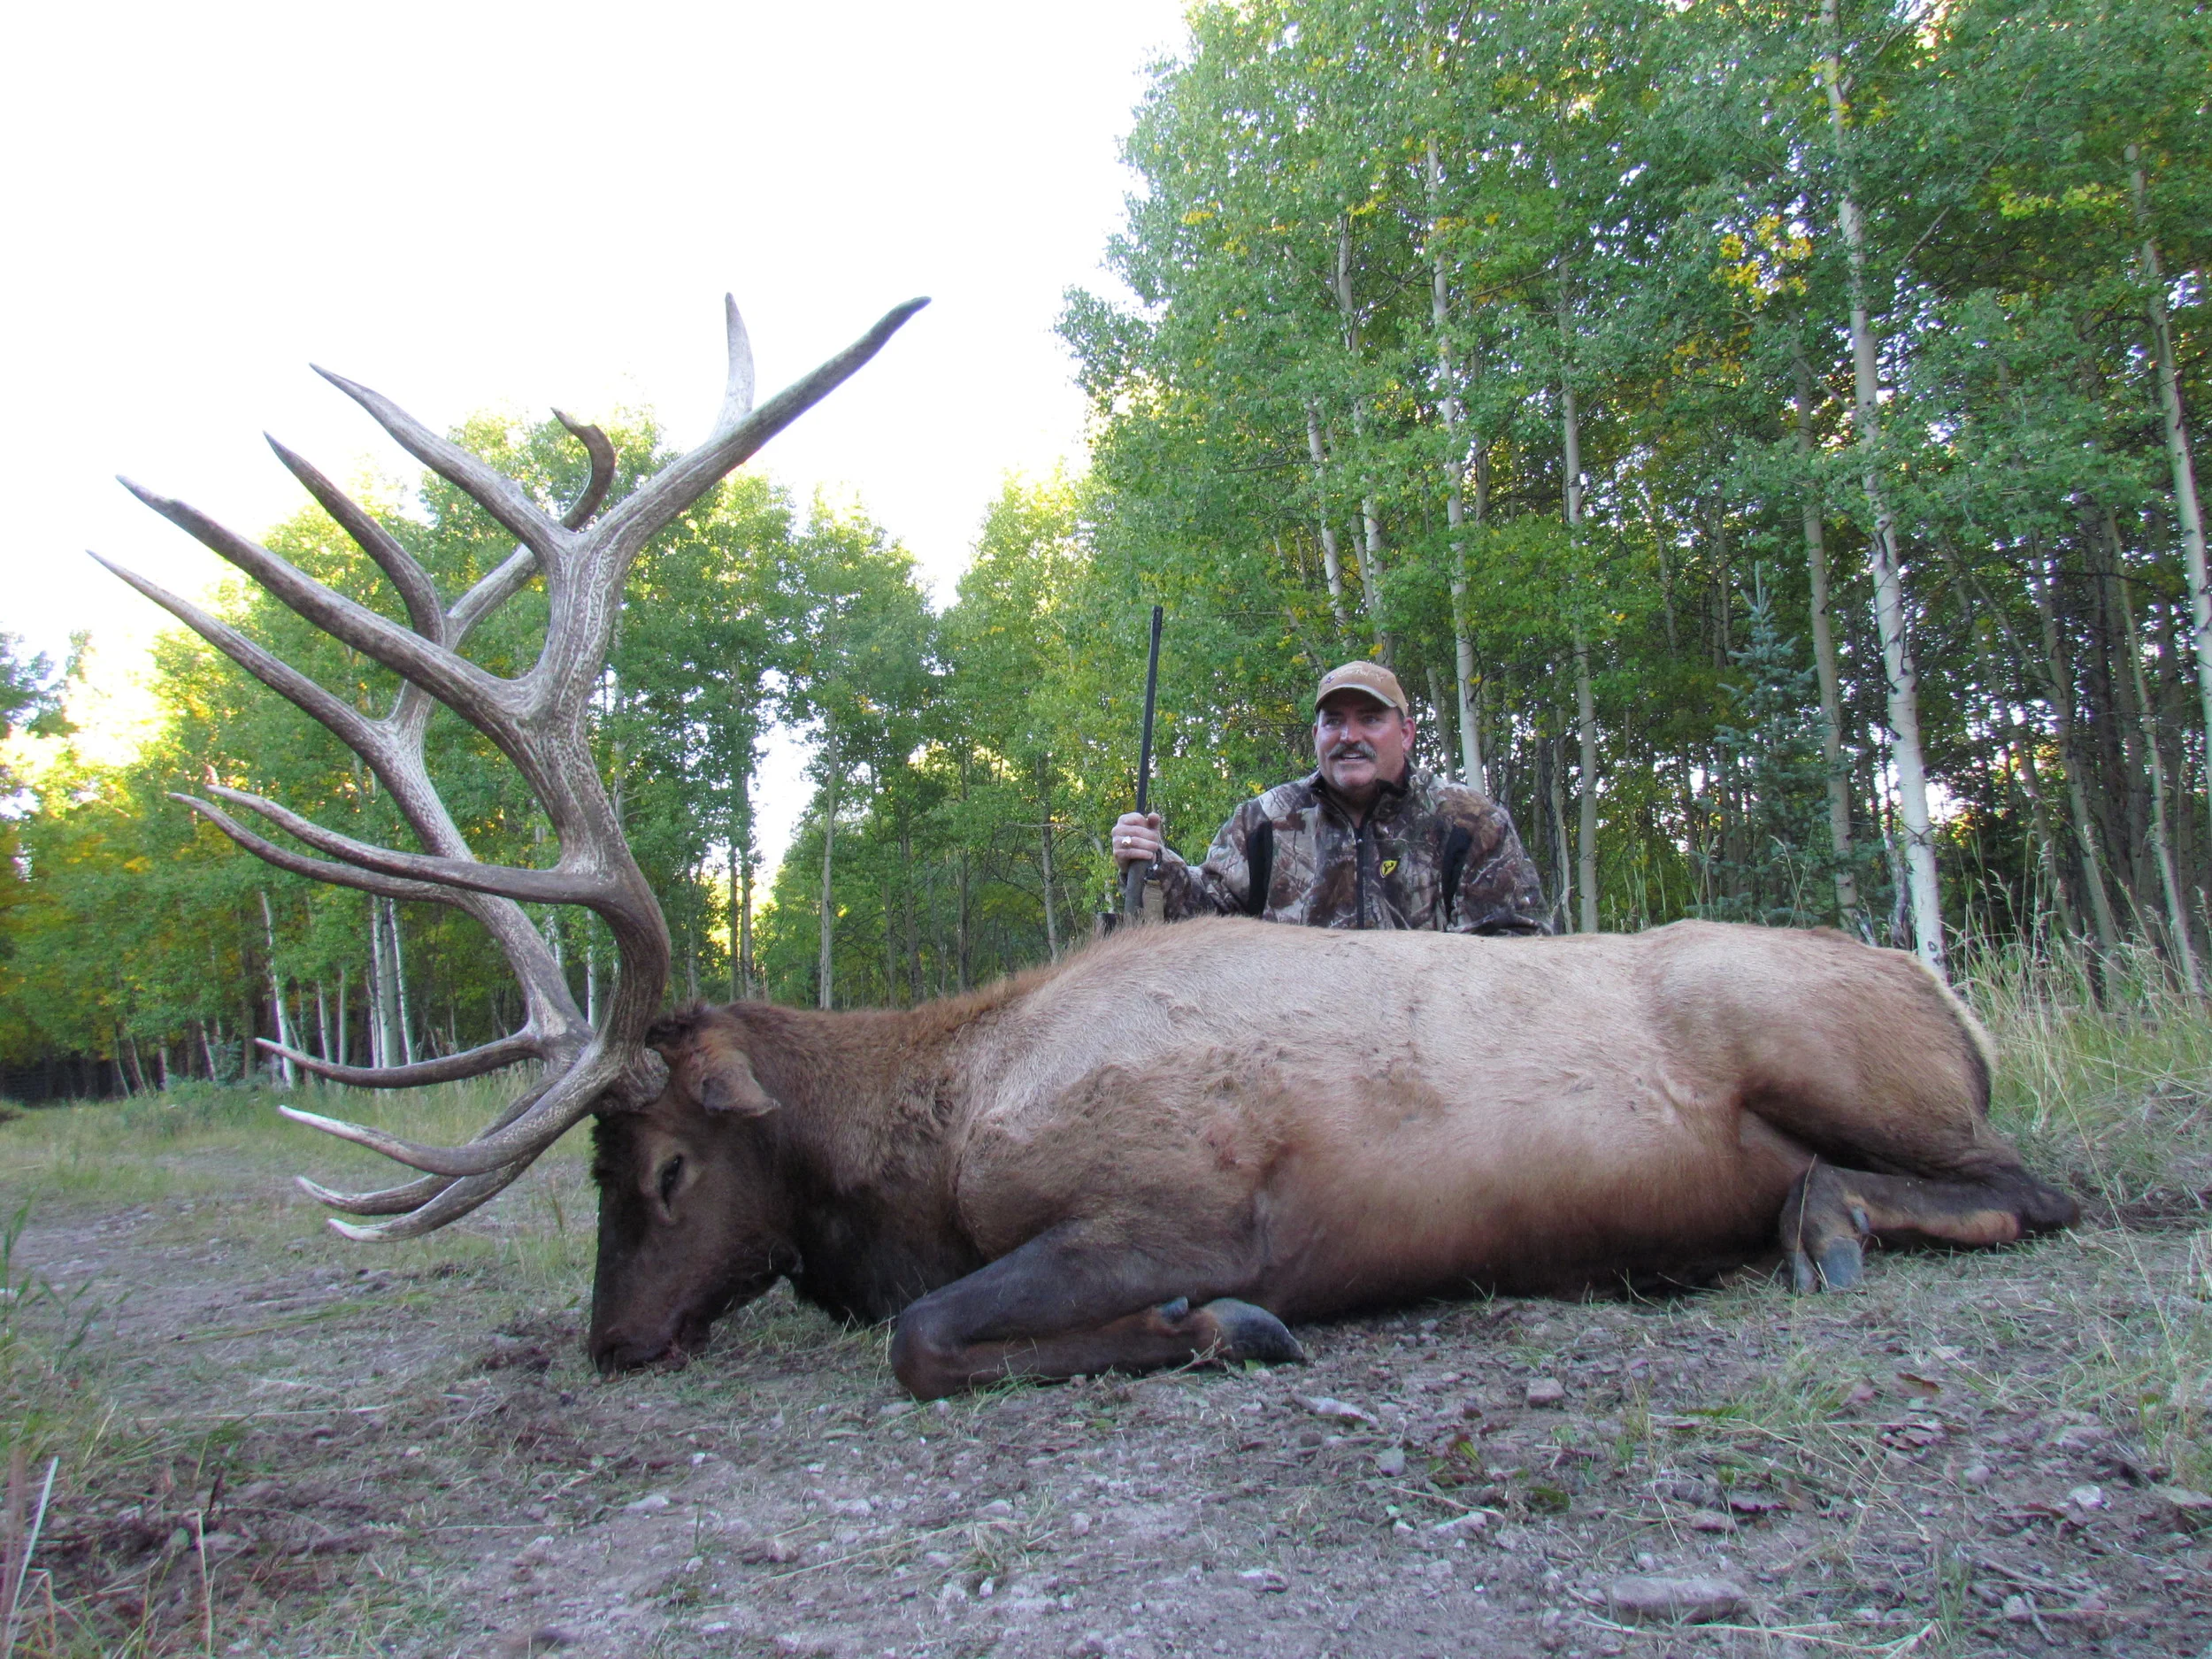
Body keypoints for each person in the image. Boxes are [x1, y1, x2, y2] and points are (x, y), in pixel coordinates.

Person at [1110, 660, 1549, 934]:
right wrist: (1155, 865)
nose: (1350, 737)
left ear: (1407, 733)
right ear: (1316, 734)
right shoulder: (1265, 821)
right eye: (1334, 721)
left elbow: (1515, 949)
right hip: (1297, 1055)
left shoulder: (1469, 822)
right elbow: (1206, 920)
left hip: (1428, 1055)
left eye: (1371, 720)